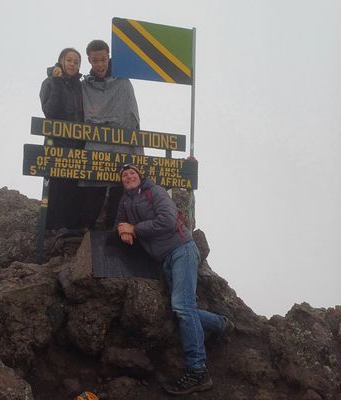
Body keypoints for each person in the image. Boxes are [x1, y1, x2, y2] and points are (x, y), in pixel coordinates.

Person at [115, 164, 234, 395]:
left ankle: (198, 371)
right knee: (182, 308)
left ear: (140, 176)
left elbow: (167, 221)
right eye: (124, 175)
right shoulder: (125, 201)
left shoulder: (155, 191)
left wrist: (134, 229)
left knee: (182, 307)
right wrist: (122, 230)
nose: (129, 177)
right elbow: (119, 223)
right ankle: (221, 325)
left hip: (182, 250)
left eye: (132, 173)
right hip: (165, 259)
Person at [81, 40, 143, 229]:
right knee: (92, 194)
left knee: (118, 195)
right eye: (95, 60)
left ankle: (113, 233)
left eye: (103, 59)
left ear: (109, 57)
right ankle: (86, 233)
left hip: (122, 147)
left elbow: (133, 118)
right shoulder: (84, 86)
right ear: (89, 60)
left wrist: (137, 152)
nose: (100, 64)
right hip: (95, 148)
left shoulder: (124, 82)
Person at [39, 48, 86, 235]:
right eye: (69, 60)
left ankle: (73, 227)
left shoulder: (81, 86)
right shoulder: (49, 82)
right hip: (58, 142)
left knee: (76, 185)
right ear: (61, 60)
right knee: (58, 185)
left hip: (79, 144)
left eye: (76, 62)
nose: (73, 64)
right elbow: (50, 112)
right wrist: (57, 82)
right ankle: (55, 226)